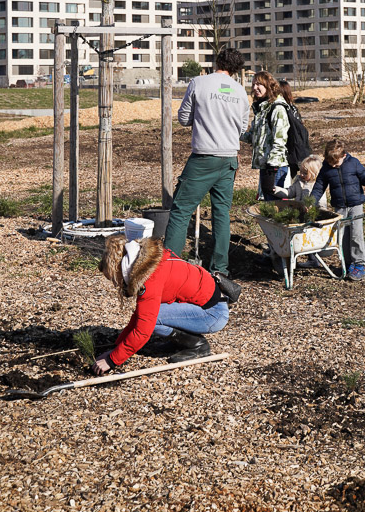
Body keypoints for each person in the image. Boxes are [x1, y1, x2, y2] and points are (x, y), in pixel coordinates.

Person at [163, 47, 250, 278]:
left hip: (203, 158)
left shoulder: (198, 83)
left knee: (181, 210)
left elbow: (183, 118)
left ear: (217, 61)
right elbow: (243, 128)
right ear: (236, 68)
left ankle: (170, 267)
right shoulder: (241, 92)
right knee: (221, 214)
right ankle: (220, 270)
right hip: (229, 158)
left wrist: (201, 119)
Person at [93, 234, 230, 371]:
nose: (116, 285)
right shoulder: (149, 261)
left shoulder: (149, 279)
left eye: (114, 279)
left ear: (121, 270)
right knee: (147, 313)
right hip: (209, 304)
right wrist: (116, 346)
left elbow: (142, 330)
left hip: (214, 313)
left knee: (153, 319)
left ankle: (197, 346)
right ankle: (180, 342)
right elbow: (139, 314)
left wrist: (112, 360)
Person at [310, 138, 365, 281]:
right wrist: (310, 202)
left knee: (356, 235)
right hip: (339, 206)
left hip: (355, 205)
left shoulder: (353, 163)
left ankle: (359, 264)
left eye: (336, 163)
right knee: (342, 236)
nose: (334, 166)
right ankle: (347, 263)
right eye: (331, 163)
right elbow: (319, 187)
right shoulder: (326, 169)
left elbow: (364, 177)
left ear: (344, 156)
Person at [240, 71, 290, 200]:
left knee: (276, 205)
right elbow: (253, 136)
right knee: (269, 204)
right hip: (266, 165)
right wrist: (234, 133)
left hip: (275, 167)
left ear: (269, 86)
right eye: (253, 84)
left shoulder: (277, 108)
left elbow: (280, 140)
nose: (255, 87)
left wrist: (271, 168)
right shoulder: (262, 109)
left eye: (259, 84)